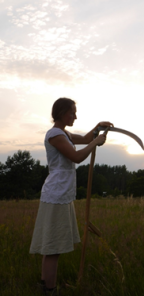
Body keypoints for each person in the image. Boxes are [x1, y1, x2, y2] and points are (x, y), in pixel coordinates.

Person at [30, 97, 113, 295]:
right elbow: (76, 156)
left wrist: (96, 129)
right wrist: (95, 142)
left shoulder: (64, 134)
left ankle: (45, 285)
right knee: (53, 248)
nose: (75, 116)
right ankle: (50, 290)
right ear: (61, 113)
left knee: (52, 246)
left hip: (62, 195)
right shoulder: (55, 135)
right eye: (72, 112)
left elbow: (84, 139)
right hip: (56, 195)